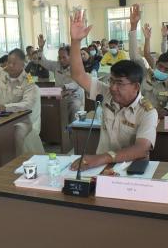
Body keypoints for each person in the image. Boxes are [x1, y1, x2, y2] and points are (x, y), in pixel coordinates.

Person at [68, 10, 158, 171]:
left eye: (120, 83)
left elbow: (141, 148)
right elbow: (78, 74)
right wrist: (75, 42)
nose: (113, 88)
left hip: (131, 168)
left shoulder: (147, 112)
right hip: (101, 165)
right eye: (111, 81)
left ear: (136, 86)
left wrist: (103, 157)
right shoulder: (106, 93)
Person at [0, 26, 45, 155]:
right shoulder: (3, 74)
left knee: (18, 133)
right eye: (9, 62)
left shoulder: (29, 82)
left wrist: (6, 107)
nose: (10, 66)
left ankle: (19, 163)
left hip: (23, 121)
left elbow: (26, 104)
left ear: (23, 65)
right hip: (2, 117)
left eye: (14, 63)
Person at [129, 7, 168, 119]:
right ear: (156, 64)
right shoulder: (146, 73)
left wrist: (165, 111)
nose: (161, 70)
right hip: (137, 116)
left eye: (166, 69)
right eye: (159, 66)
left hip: (158, 118)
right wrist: (133, 27)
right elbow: (134, 56)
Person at [37, 34, 85, 123]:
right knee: (52, 110)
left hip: (74, 97)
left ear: (70, 56)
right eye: (59, 57)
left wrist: (64, 87)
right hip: (59, 96)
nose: (61, 60)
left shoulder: (77, 66)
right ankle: (61, 134)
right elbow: (42, 61)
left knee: (75, 108)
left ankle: (73, 133)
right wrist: (40, 48)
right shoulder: (56, 65)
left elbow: (76, 83)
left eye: (64, 57)